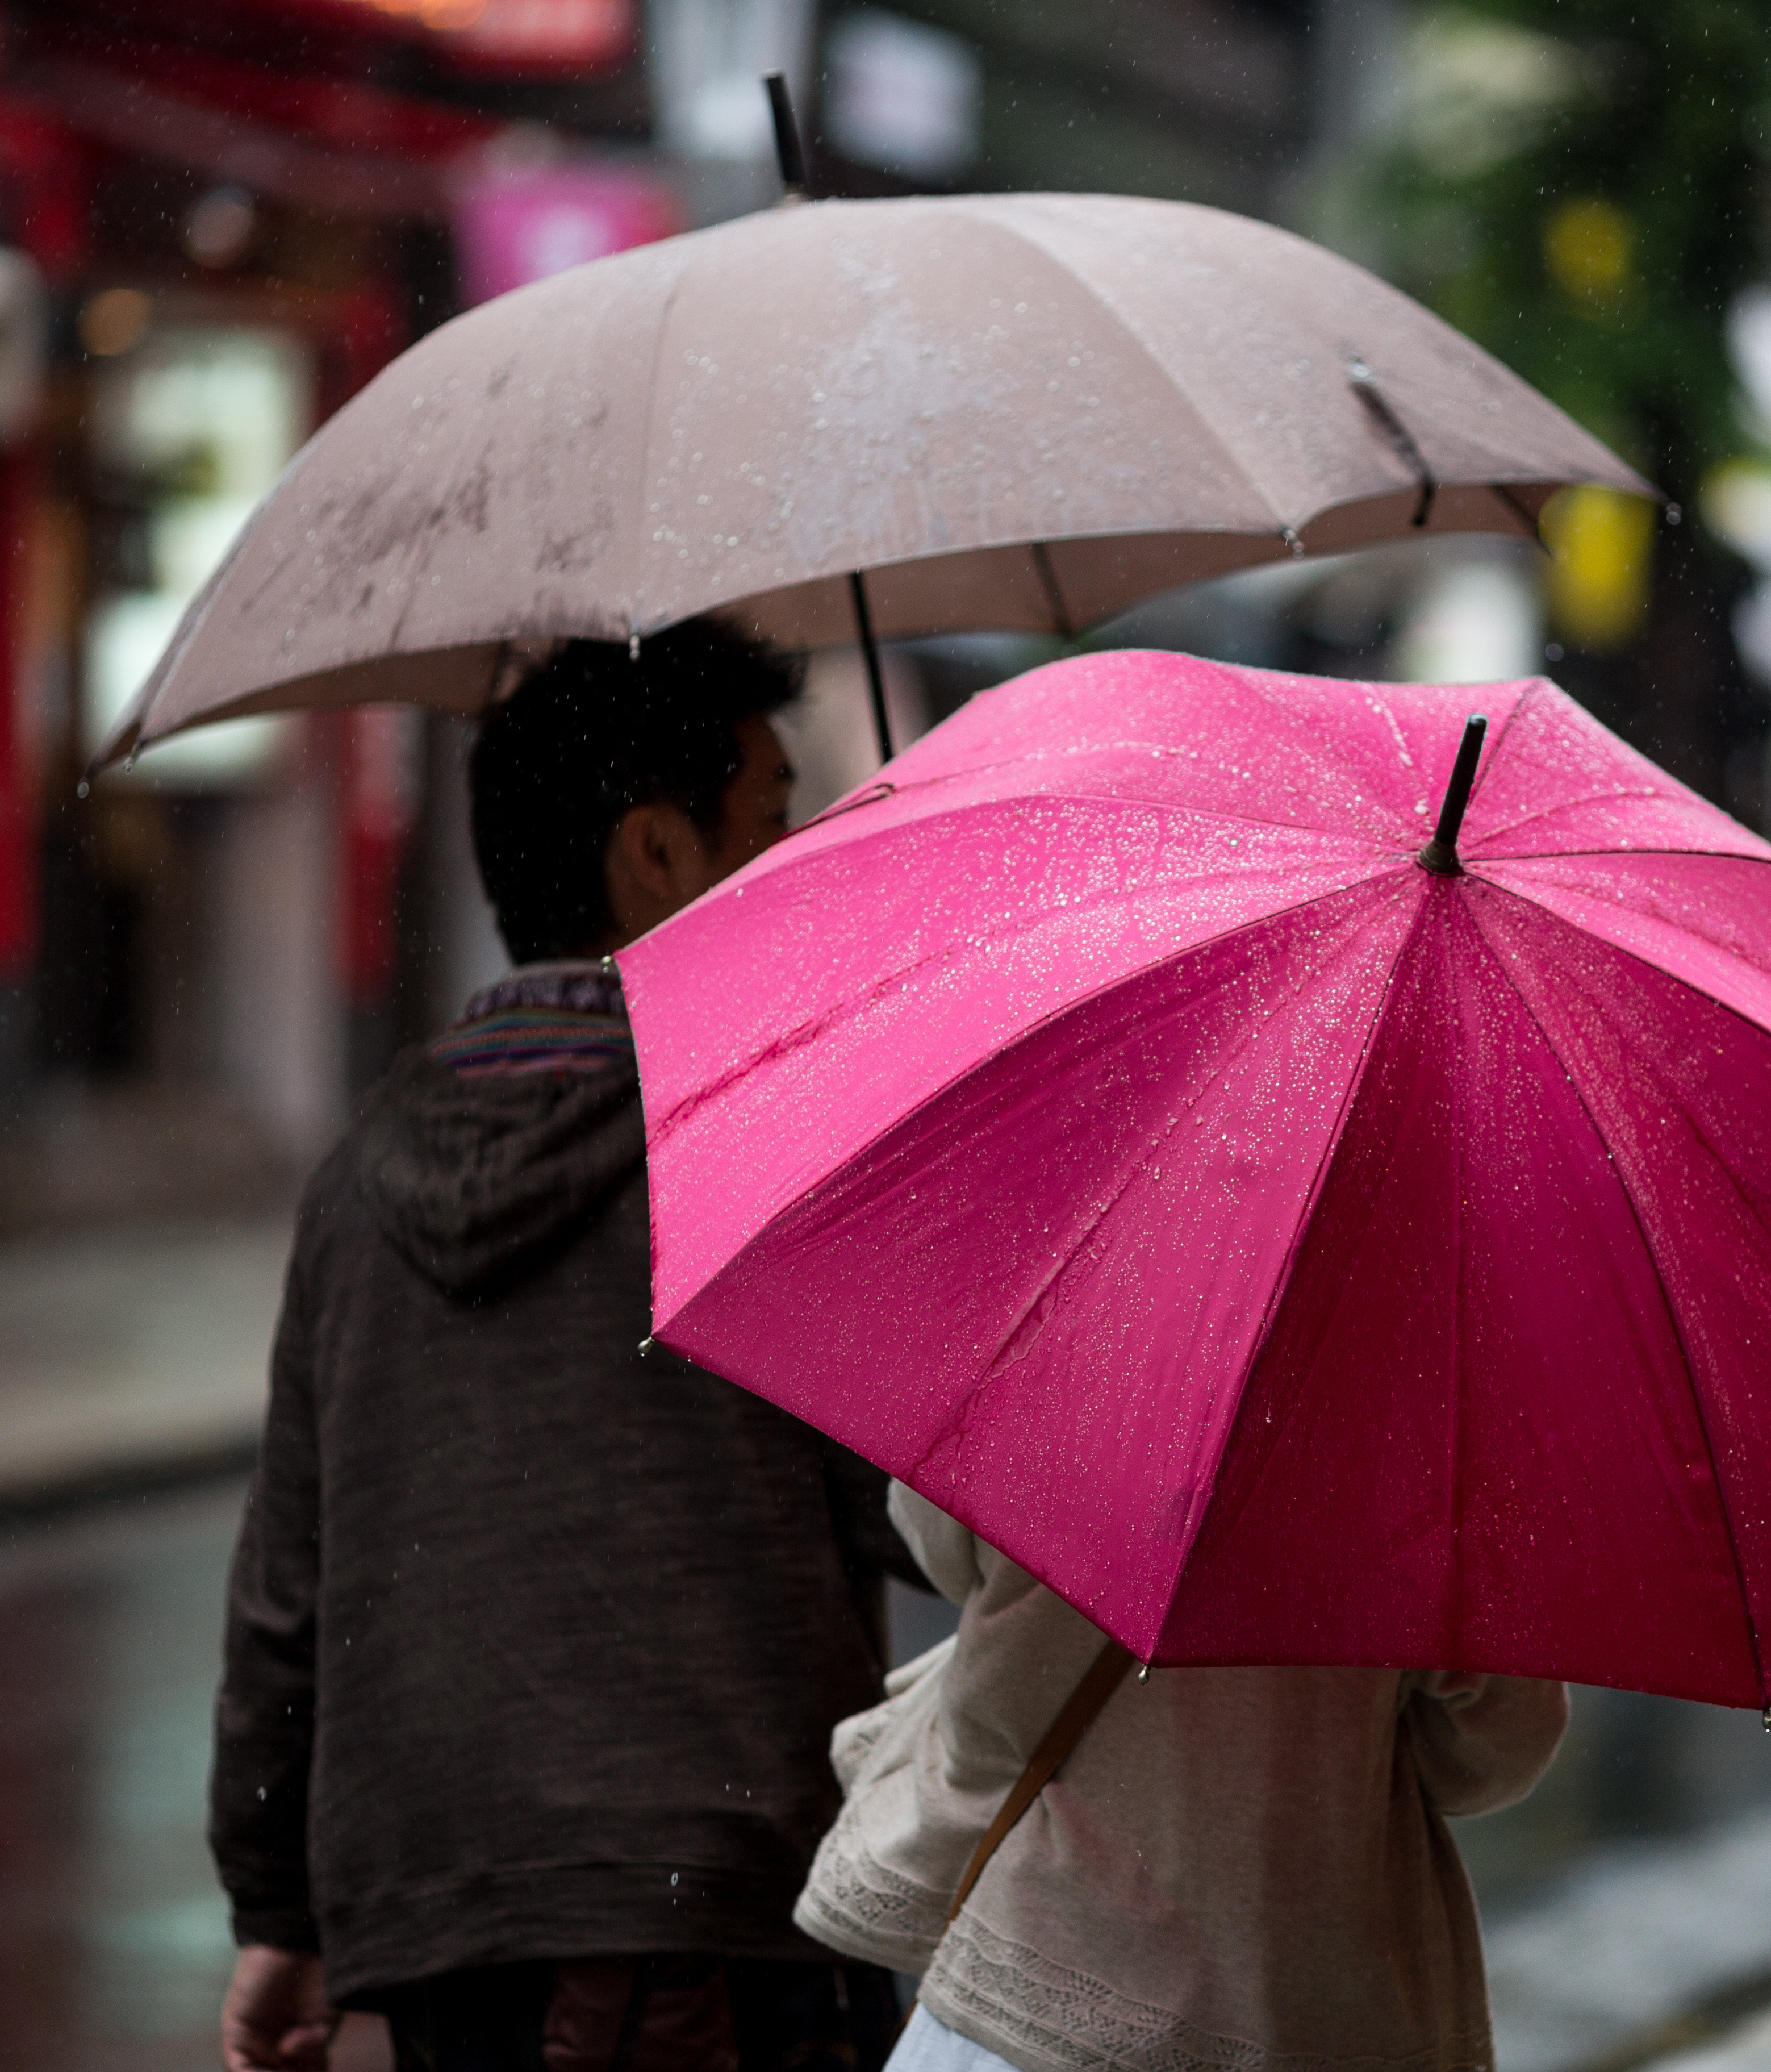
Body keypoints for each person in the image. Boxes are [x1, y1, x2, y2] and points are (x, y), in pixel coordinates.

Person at [212, 624, 922, 2072]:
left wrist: (278, 1911)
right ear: (655, 853)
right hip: (733, 1916)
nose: (795, 868)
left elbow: (291, 1593)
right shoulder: (763, 1150)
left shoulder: (354, 1185)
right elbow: (921, 1511)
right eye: (773, 820)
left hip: (444, 1932)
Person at [798, 1485, 1569, 2072]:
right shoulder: (1435, 1479)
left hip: (1041, 1955)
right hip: (1309, 1987)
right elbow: (1495, 1753)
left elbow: (937, 1542)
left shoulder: (1057, 1368)